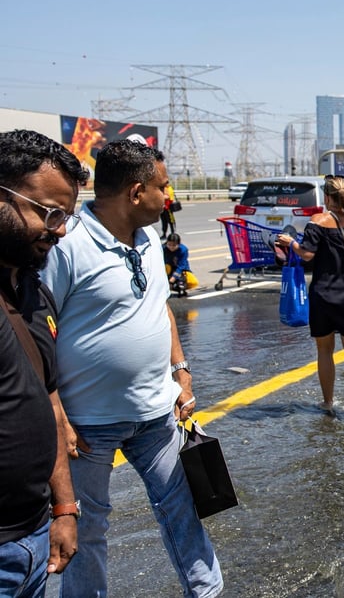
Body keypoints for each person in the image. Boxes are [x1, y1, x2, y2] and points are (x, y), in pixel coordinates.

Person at [39, 138, 223, 597]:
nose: (170, 198)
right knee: (89, 531)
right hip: (88, 427)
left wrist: (180, 371)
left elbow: (160, 307)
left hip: (157, 414)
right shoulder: (69, 247)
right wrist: (56, 414)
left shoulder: (150, 238)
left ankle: (208, 592)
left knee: (184, 509)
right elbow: (38, 331)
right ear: (136, 192)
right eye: (164, 187)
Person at [0, 130, 87, 597]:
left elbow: (49, 403)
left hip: (33, 540)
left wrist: (64, 509)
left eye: (66, 216)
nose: (59, 229)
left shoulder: (35, 292)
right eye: (48, 213)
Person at [274, 176, 344, 425]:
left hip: (324, 293)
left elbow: (307, 254)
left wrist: (290, 242)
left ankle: (327, 402)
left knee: (325, 350)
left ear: (326, 197)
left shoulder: (318, 221)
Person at [163, 233, 195, 297]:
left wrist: (172, 280)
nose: (171, 247)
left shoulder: (183, 250)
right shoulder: (162, 249)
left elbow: (181, 266)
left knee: (190, 282)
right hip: (167, 267)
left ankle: (180, 287)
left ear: (179, 244)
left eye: (174, 245)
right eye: (169, 245)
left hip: (180, 269)